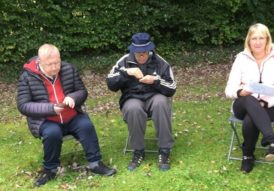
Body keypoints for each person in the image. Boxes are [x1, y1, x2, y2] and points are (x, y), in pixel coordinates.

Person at [17, 44, 116, 187]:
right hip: (46, 120)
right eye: (50, 64)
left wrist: (74, 97)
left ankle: (95, 163)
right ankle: (50, 169)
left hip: (72, 115)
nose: (55, 67)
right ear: (40, 62)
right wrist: (50, 108)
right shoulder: (27, 76)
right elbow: (23, 105)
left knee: (86, 125)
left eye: (57, 62)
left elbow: (82, 91)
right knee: (52, 133)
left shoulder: (69, 69)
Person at [106, 32, 176, 171]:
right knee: (133, 108)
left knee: (161, 103)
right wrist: (126, 73)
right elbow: (110, 83)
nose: (141, 56)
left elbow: (172, 88)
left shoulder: (160, 62)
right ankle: (138, 151)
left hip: (154, 96)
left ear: (150, 50)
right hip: (132, 98)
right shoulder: (124, 61)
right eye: (138, 53)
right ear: (133, 51)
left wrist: (156, 81)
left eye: (144, 52)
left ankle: (164, 151)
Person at [225, 23, 274, 173]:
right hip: (242, 103)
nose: (257, 42)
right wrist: (240, 92)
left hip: (272, 106)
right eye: (253, 38)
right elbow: (229, 89)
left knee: (251, 118)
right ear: (248, 40)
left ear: (267, 39)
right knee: (249, 100)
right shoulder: (241, 59)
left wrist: (265, 101)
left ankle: (247, 156)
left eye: (261, 38)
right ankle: (272, 140)